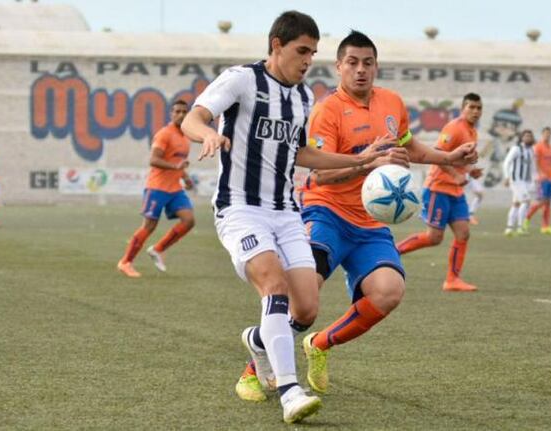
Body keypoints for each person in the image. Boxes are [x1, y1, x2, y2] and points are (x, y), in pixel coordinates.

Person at [230, 30, 476, 399]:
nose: (361, 70)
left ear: (376, 66)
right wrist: (369, 162)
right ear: (339, 67)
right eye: (353, 63)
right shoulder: (327, 110)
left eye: (368, 62)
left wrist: (448, 158)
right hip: (326, 212)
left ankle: (320, 344)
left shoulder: (392, 102)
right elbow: (320, 174)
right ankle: (253, 367)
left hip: (371, 222)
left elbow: (409, 146)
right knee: (303, 302)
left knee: (388, 292)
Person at [181, 12, 387, 424]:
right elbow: (194, 117)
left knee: (306, 308)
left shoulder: (303, 97)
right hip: (240, 208)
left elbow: (301, 154)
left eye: (313, 52)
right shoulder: (241, 79)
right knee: (272, 284)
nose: (308, 59)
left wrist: (360, 161)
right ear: (277, 45)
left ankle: (258, 341)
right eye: (301, 50)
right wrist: (207, 134)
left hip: (286, 211)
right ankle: (289, 390)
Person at [395, 93, 484, 293]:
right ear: (463, 108)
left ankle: (452, 280)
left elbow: (458, 160)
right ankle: (393, 251)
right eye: (472, 107)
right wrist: (455, 175)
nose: (476, 111)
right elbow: (437, 155)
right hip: (438, 189)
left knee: (463, 233)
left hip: (456, 191)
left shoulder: (472, 132)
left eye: (479, 108)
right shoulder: (454, 128)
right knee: (434, 237)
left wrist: (470, 171)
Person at [117, 100, 196, 278]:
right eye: (177, 111)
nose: (181, 115)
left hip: (175, 189)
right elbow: (153, 160)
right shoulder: (164, 134)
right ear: (171, 114)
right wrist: (176, 168)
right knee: (150, 226)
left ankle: (158, 249)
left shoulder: (185, 138)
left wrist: (185, 177)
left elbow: (178, 163)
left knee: (189, 220)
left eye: (185, 112)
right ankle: (125, 262)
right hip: (157, 187)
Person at [503, 130, 536, 236]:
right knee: (526, 201)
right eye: (526, 136)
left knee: (516, 204)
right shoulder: (516, 149)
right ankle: (520, 227)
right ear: (521, 138)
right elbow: (506, 162)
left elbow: (531, 166)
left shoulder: (531, 150)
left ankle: (509, 228)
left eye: (530, 136)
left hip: (525, 181)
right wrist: (507, 177)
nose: (528, 138)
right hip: (516, 180)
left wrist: (532, 179)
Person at [526, 126, 551, 234]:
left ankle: (545, 226)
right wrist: (540, 174)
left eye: (549, 134)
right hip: (542, 178)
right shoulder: (538, 147)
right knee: (542, 201)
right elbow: (535, 162)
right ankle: (526, 218)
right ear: (542, 134)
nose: (547, 135)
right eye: (545, 133)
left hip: (550, 178)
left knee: (548, 202)